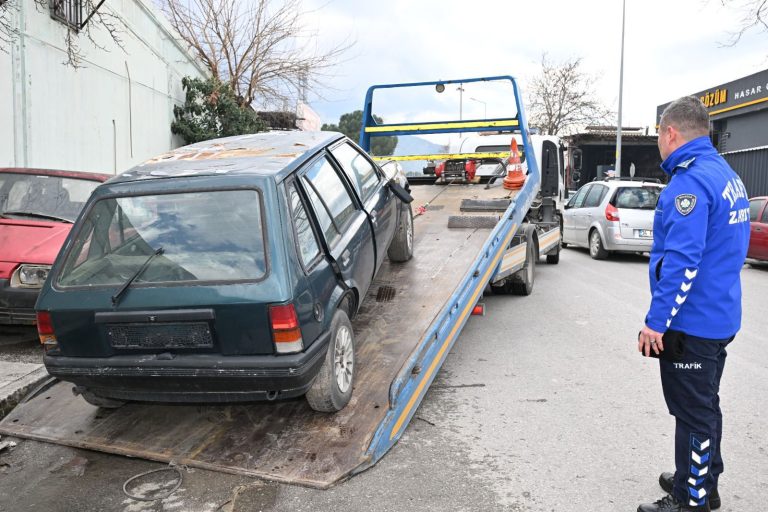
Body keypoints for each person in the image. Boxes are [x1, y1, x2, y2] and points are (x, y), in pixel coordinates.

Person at [636, 96, 750, 512]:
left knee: (692, 413)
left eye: (659, 137)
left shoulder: (690, 182)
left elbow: (683, 262)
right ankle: (701, 479)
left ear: (670, 133)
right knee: (704, 405)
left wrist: (656, 323)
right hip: (719, 315)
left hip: (693, 322)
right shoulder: (723, 173)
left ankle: (692, 499)